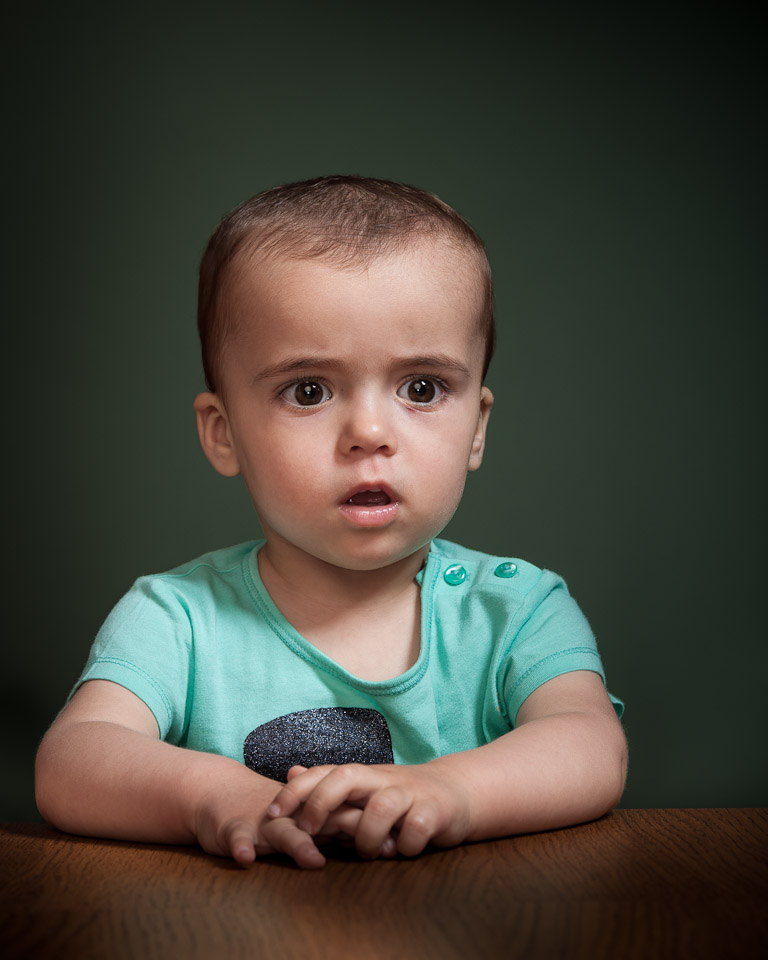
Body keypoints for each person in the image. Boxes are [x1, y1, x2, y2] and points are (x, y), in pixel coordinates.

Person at [35, 175, 627, 869]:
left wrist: (453, 790)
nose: (370, 433)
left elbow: (591, 744)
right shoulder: (174, 618)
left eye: (422, 388)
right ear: (223, 433)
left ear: (477, 427)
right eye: (308, 391)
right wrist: (214, 796)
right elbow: (71, 760)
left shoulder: (518, 610)